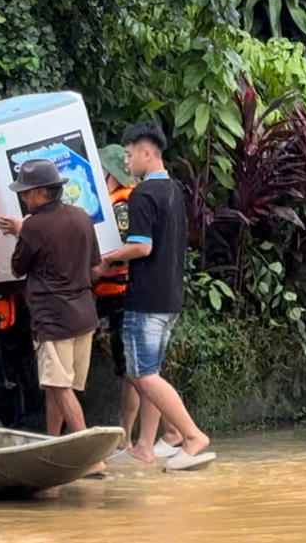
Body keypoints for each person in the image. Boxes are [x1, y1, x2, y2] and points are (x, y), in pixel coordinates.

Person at [98, 121, 215, 470]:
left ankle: (191, 435)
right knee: (152, 372)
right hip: (169, 298)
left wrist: (108, 258)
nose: (127, 161)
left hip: (145, 299)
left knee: (142, 376)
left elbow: (141, 247)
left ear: (148, 152)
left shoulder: (143, 195)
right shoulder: (174, 191)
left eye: (130, 154)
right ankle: (145, 446)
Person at [0, 159, 105, 478]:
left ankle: (90, 456)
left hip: (53, 319)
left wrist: (22, 231)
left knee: (57, 386)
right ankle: (51, 445)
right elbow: (95, 265)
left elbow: (18, 267)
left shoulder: (33, 225)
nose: (22, 197)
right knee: (58, 385)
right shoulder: (81, 216)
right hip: (85, 314)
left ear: (36, 194)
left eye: (24, 192)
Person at [95, 144, 183, 460]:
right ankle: (130, 440)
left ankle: (172, 431)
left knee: (139, 372)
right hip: (125, 296)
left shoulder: (124, 205)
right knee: (136, 371)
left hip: (122, 296)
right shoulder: (138, 198)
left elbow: (126, 249)